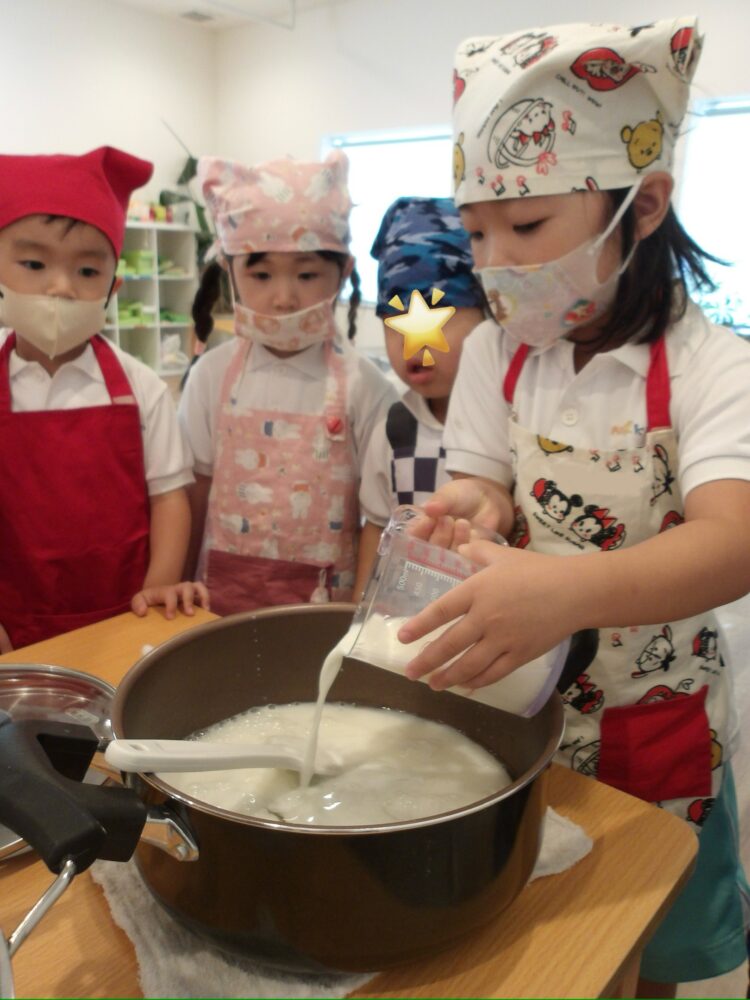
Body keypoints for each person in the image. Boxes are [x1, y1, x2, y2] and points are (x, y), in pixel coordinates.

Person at [398, 17, 750, 995]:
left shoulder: (713, 367)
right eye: (476, 231)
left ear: (644, 205)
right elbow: (483, 478)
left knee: (650, 930)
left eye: (527, 227)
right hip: (529, 702)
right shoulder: (493, 352)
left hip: (655, 710)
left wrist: (561, 593)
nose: (495, 260)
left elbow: (733, 542)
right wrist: (470, 507)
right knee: (550, 936)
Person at [0, 146, 206, 652]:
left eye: (87, 272)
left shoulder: (142, 387)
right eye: (34, 263)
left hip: (125, 618)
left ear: (114, 287)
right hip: (11, 627)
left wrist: (158, 589)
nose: (61, 287)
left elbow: (169, 498)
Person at [179, 151, 397, 614]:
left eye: (307, 274)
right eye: (260, 274)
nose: (283, 298)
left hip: (323, 611)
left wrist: (357, 618)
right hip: (216, 604)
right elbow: (195, 491)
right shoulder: (210, 377)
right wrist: (176, 581)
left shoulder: (366, 386)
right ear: (229, 272)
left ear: (343, 273)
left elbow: (377, 518)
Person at [354, 196, 486, 596]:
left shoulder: (506, 426)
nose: (413, 342)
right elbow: (377, 527)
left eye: (435, 317)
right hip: (405, 620)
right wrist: (358, 611)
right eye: (396, 321)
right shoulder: (394, 429)